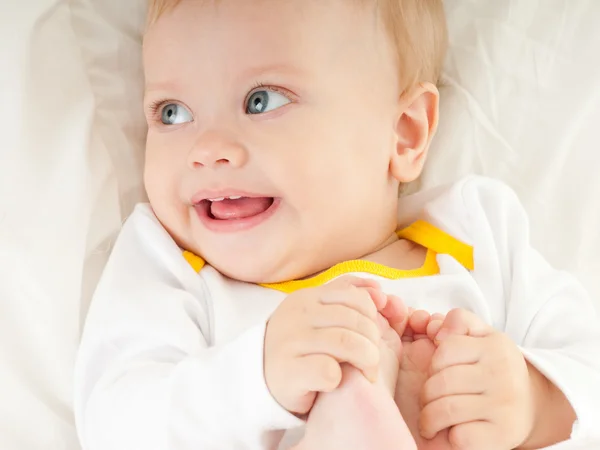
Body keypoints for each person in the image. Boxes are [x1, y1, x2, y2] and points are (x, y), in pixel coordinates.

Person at [74, 0, 600, 449]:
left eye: (262, 101)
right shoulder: (172, 263)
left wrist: (534, 400)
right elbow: (114, 422)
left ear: (403, 134)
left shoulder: (479, 232)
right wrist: (257, 377)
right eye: (172, 113)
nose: (208, 150)